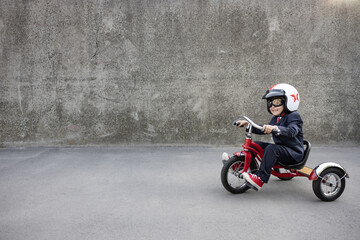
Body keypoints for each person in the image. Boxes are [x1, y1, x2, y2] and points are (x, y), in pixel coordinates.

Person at [236, 83, 304, 190]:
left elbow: (292, 131)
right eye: (270, 103)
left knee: (272, 149)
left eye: (277, 102)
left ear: (288, 101)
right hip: (282, 150)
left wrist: (276, 129)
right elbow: (264, 130)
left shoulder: (294, 116)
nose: (272, 106)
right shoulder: (275, 118)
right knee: (256, 145)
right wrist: (248, 125)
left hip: (293, 154)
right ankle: (239, 165)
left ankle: (260, 177)